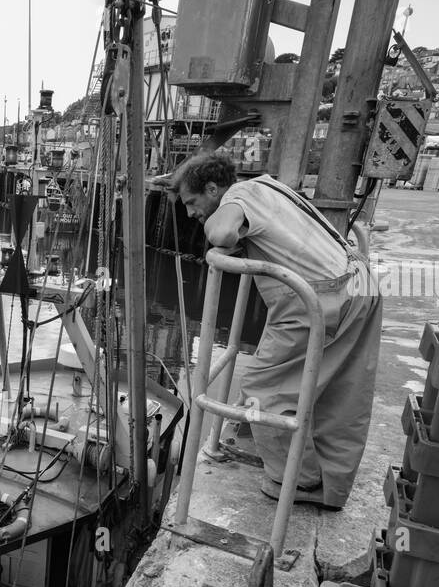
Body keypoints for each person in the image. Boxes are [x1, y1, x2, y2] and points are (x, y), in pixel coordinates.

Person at [156, 152, 383, 511]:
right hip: (358, 282)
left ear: (214, 189)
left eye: (193, 202)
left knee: (264, 389)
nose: (189, 213)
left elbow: (222, 232)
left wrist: (218, 232)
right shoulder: (265, 184)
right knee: (339, 395)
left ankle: (302, 480)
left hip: (319, 299)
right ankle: (330, 484)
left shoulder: (237, 199)